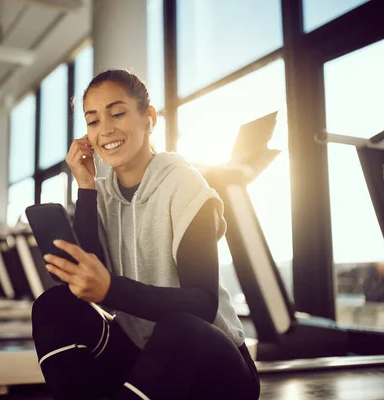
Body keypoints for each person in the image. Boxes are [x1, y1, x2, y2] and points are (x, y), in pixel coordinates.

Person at [31, 69, 260, 400]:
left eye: (118, 113)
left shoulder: (184, 183)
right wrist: (85, 187)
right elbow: (90, 283)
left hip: (211, 365)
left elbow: (203, 303)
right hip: (142, 357)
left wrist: (111, 287)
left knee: (177, 329)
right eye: (92, 121)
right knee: (53, 305)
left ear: (149, 118)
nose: (105, 129)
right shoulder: (103, 194)